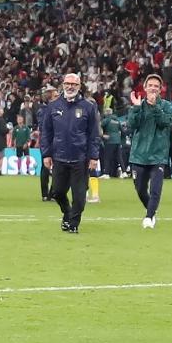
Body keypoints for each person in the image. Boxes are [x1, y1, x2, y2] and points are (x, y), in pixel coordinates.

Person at [40, 73, 99, 233]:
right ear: (63, 85)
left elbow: (94, 134)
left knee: (79, 196)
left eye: (74, 84)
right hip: (59, 157)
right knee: (57, 192)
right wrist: (46, 154)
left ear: (79, 86)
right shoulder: (53, 106)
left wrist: (94, 156)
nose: (70, 86)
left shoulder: (88, 107)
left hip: (80, 159)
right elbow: (46, 132)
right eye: (67, 83)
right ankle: (67, 213)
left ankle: (73, 224)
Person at [127, 74, 172, 229]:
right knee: (140, 190)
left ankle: (148, 217)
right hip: (139, 155)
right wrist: (135, 108)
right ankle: (152, 211)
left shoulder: (166, 106)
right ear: (145, 88)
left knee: (155, 189)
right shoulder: (138, 106)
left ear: (160, 90)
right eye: (151, 85)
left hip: (158, 154)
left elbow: (166, 122)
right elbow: (131, 125)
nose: (153, 88)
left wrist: (154, 107)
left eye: (156, 86)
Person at [38, 84, 58, 200]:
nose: (58, 97)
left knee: (57, 168)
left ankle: (53, 192)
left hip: (57, 141)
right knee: (45, 167)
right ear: (50, 97)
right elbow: (43, 128)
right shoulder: (43, 110)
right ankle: (45, 194)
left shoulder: (59, 109)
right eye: (55, 95)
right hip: (47, 142)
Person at [99, 107, 122, 179]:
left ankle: (106, 173)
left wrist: (102, 135)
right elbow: (122, 130)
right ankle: (124, 172)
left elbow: (99, 126)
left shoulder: (107, 120)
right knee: (119, 157)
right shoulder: (117, 120)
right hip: (118, 140)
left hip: (110, 141)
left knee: (107, 157)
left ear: (106, 113)